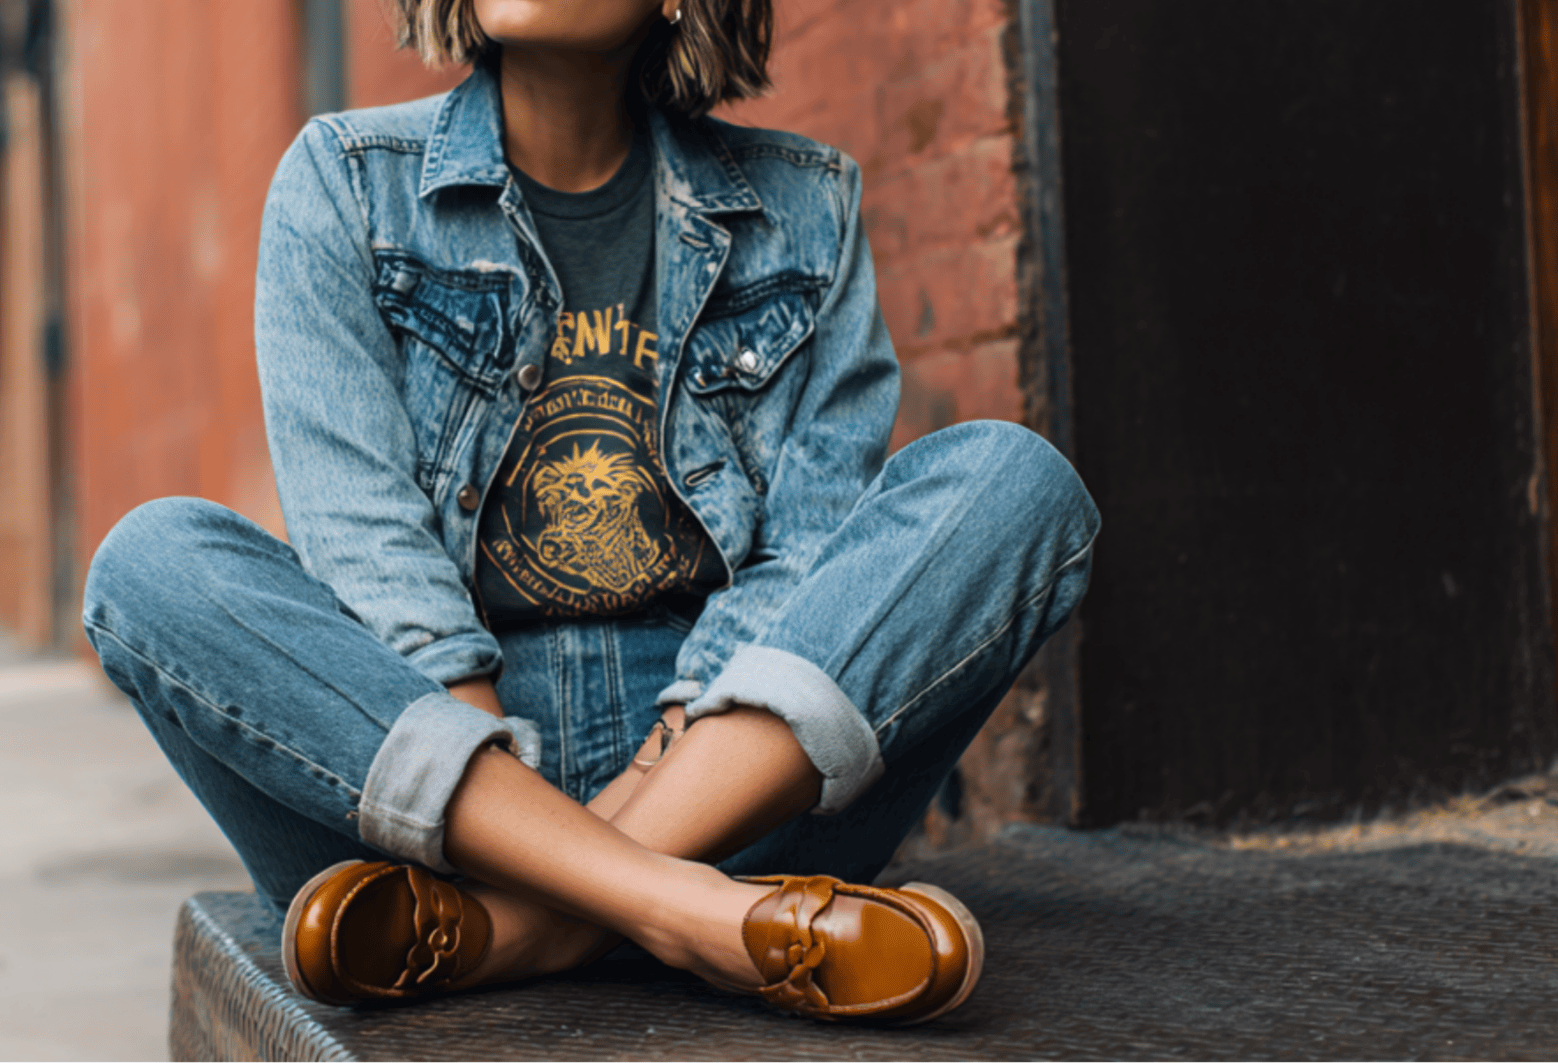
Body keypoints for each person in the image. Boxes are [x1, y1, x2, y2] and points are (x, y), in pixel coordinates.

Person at [83, 0, 1098, 1026]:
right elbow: (364, 544)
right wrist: (502, 805)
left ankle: (509, 935)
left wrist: (655, 783)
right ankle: (689, 915)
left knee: (1014, 482)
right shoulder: (347, 185)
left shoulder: (804, 204)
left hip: (723, 775)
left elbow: (807, 551)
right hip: (416, 783)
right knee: (150, 564)